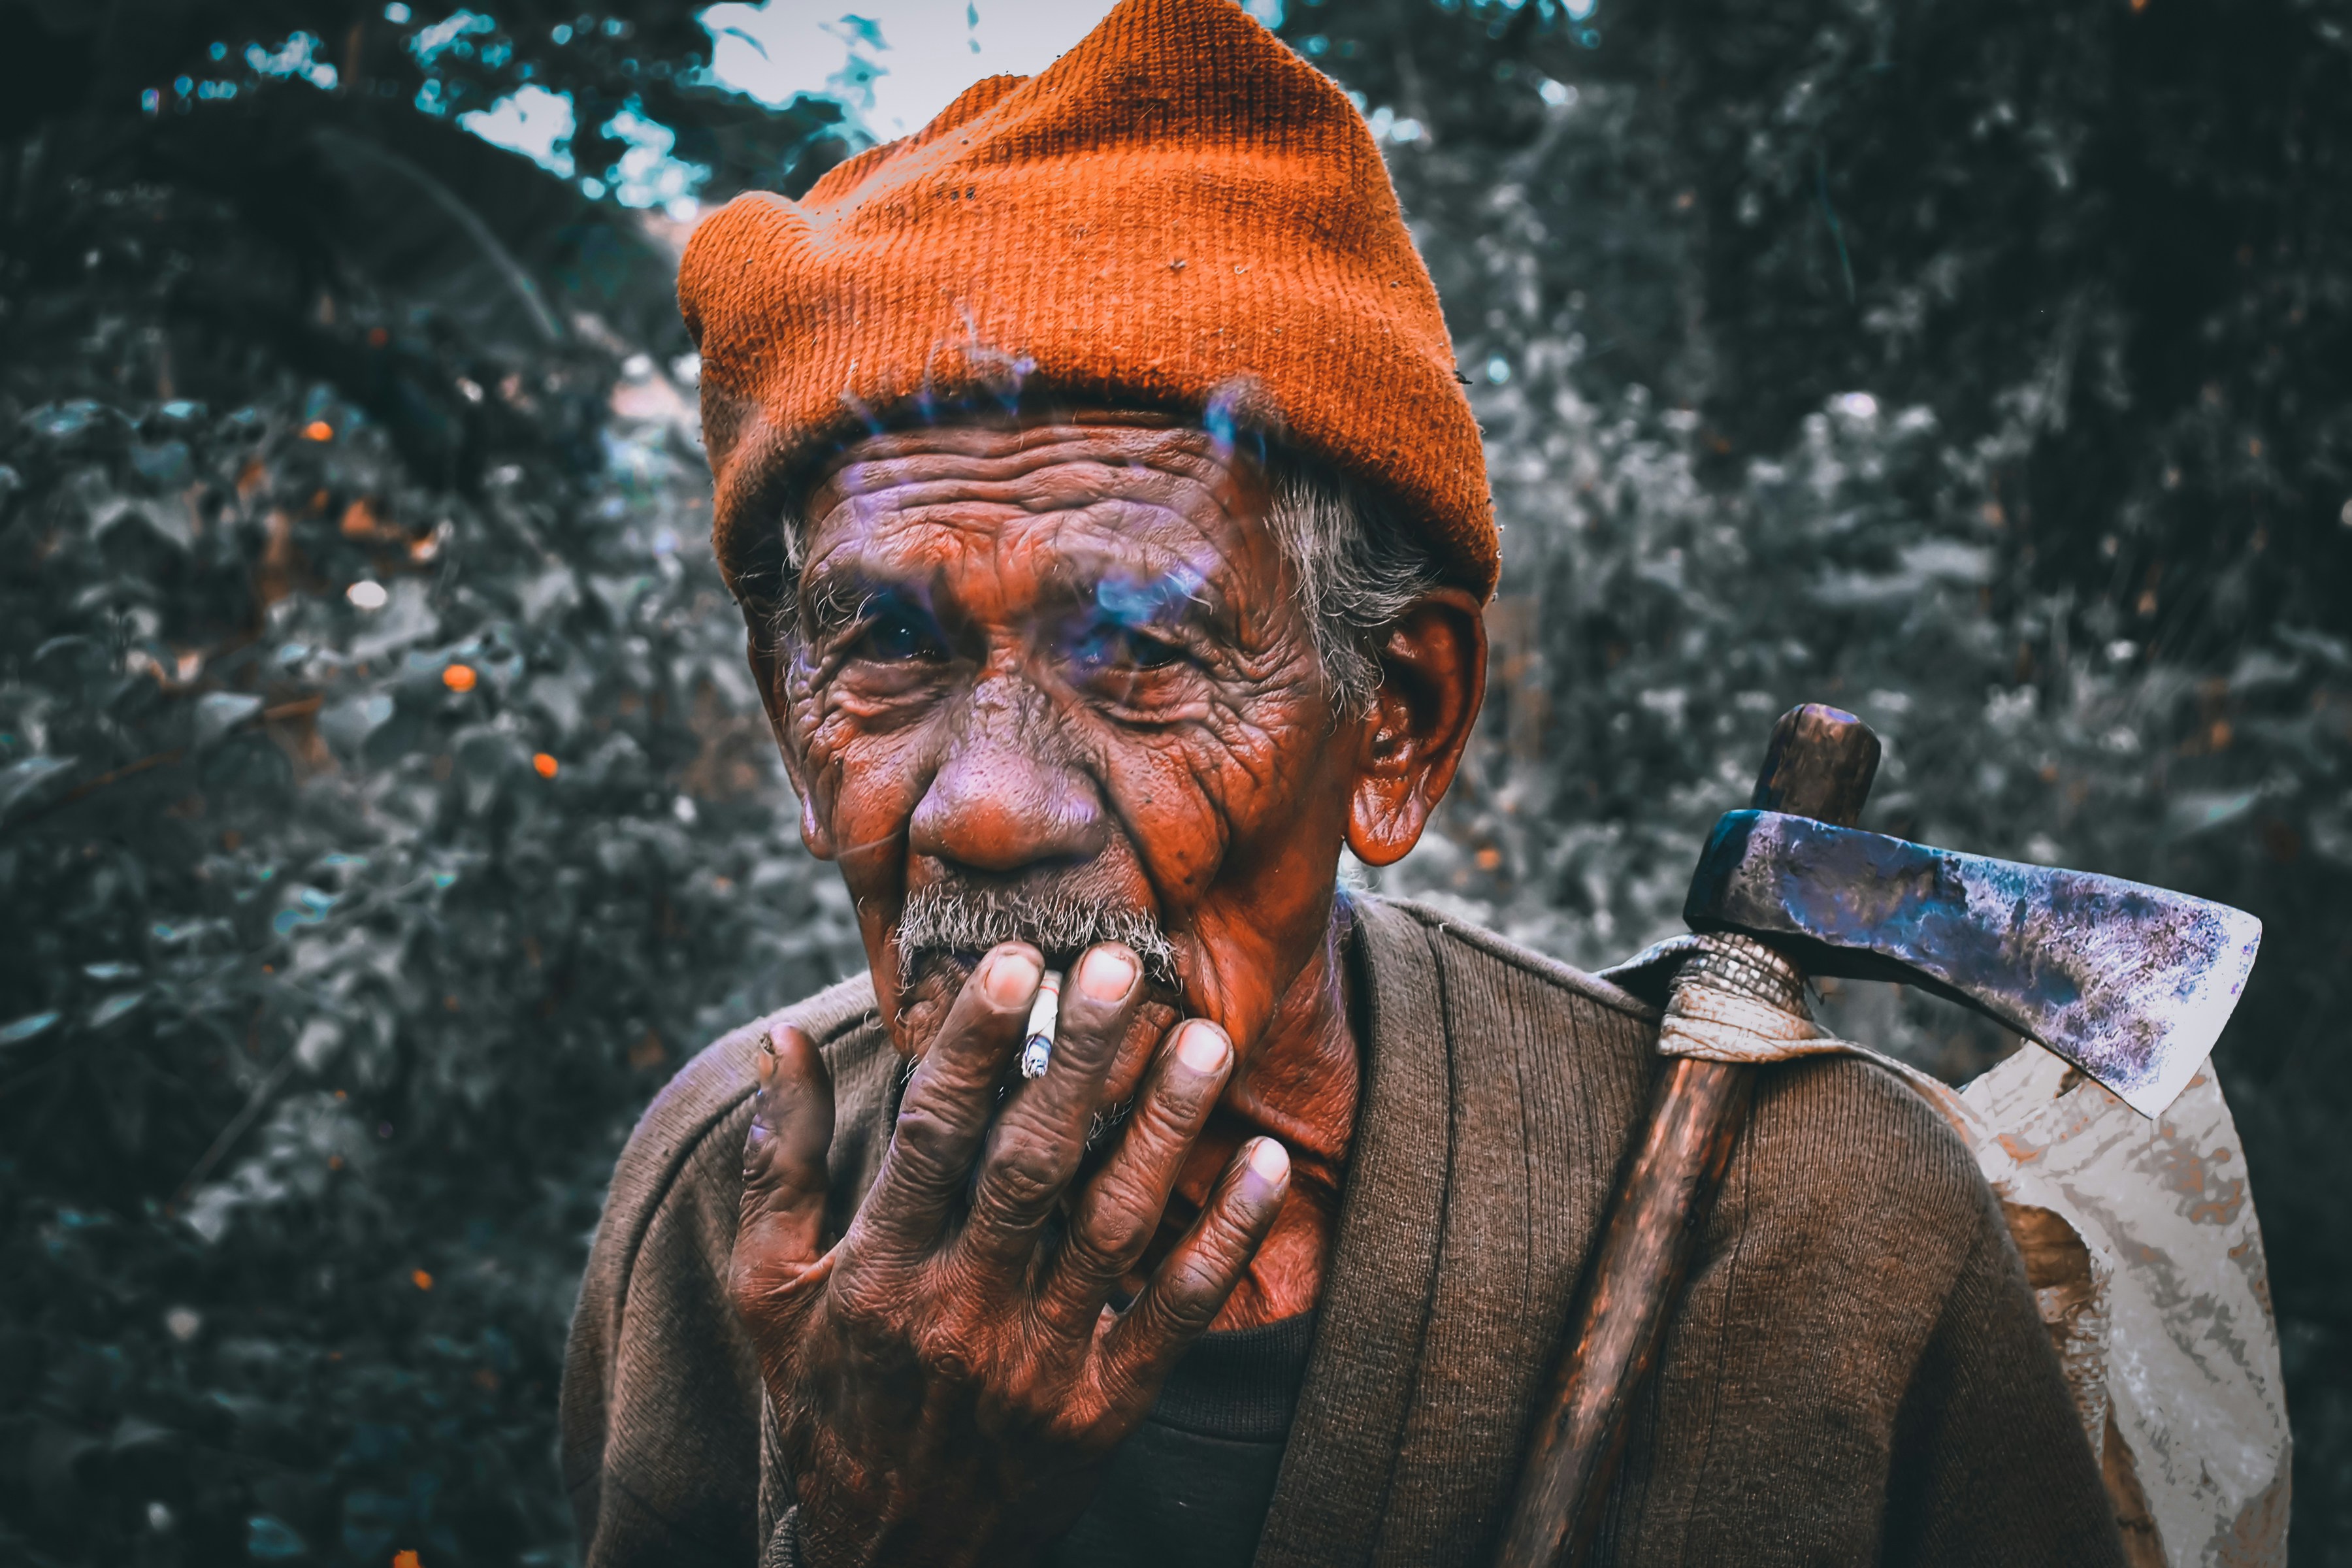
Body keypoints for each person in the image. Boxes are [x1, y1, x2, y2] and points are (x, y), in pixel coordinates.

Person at [559, 1, 2128, 1563]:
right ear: (791, 712)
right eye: (888, 642)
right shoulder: (733, 1216)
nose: (981, 807)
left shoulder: (1814, 1236)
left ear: (1398, 719)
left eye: (1140, 652)